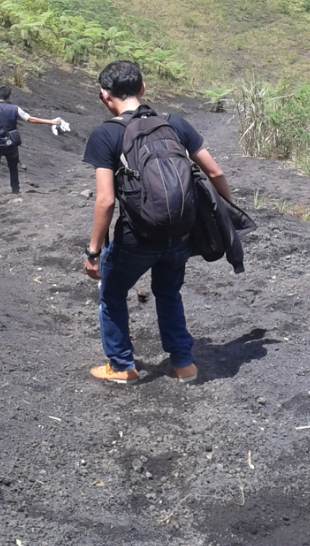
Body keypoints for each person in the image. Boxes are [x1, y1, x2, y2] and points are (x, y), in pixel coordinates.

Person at [83, 61, 232, 384]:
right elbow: (216, 172)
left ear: (104, 96)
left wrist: (93, 251)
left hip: (137, 237)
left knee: (111, 294)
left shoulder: (107, 133)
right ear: (144, 89)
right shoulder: (174, 124)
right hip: (181, 233)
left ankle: (122, 366)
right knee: (168, 293)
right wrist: (228, 211)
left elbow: (106, 200)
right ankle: (184, 365)